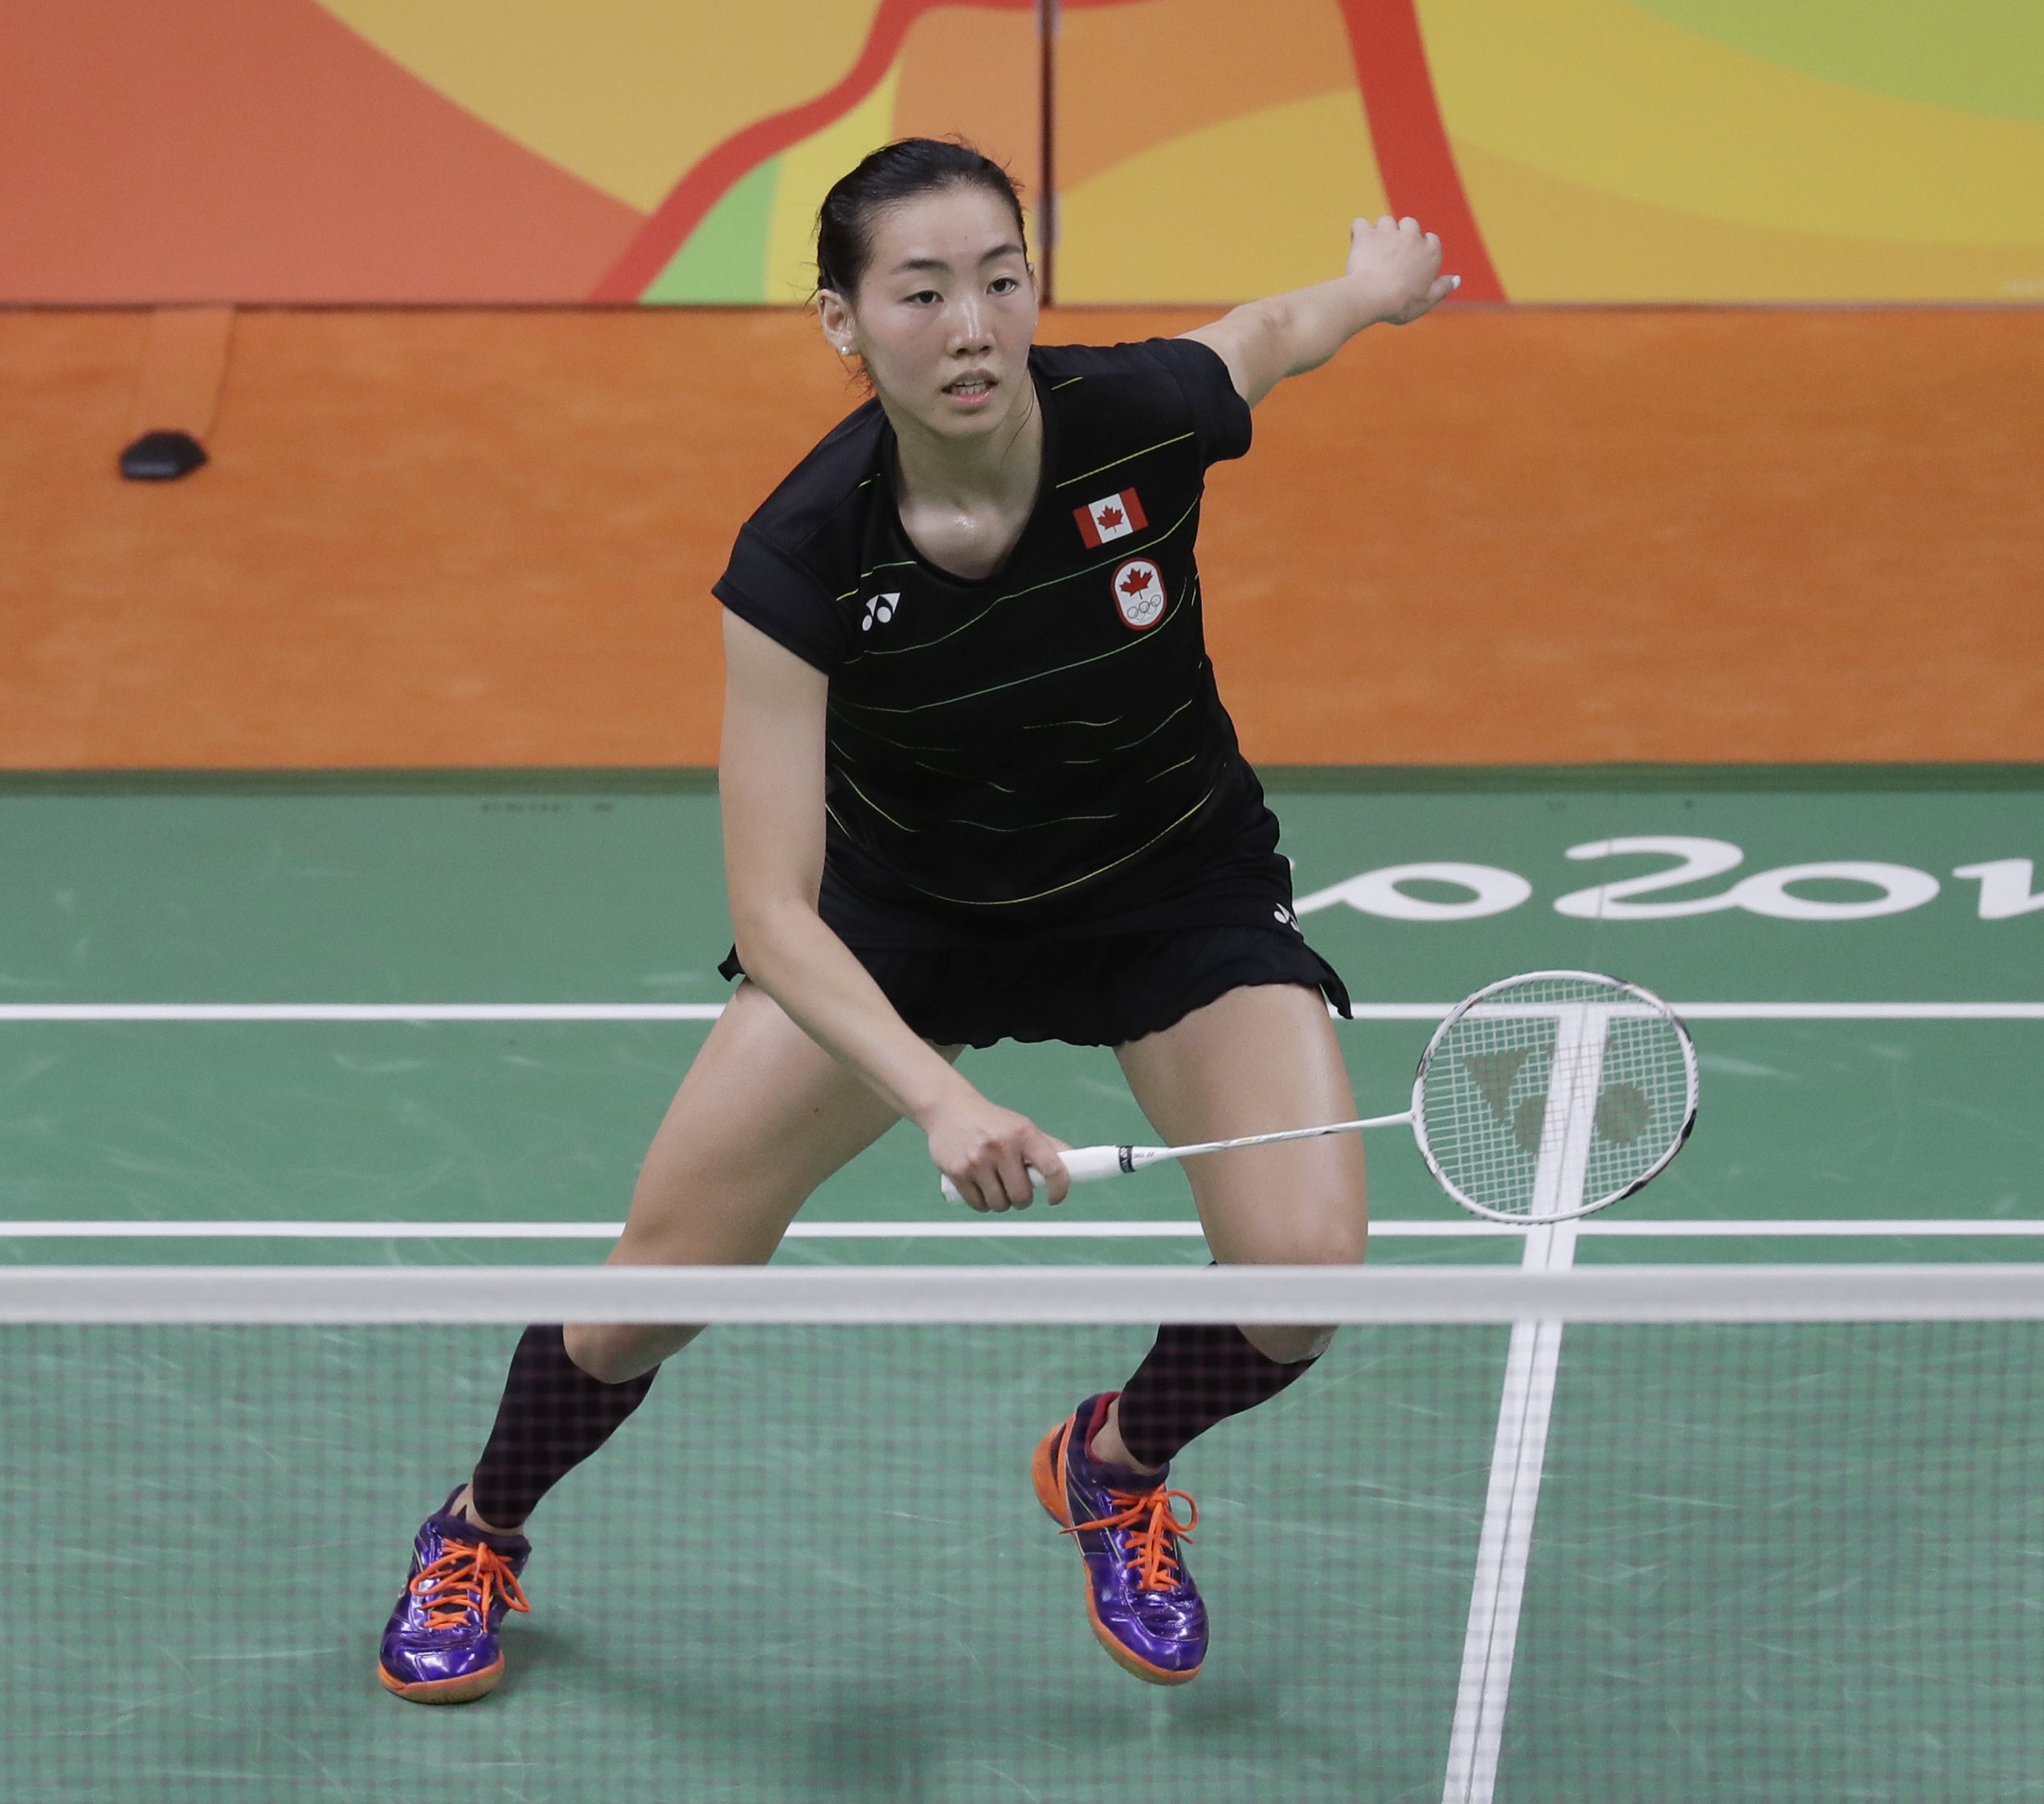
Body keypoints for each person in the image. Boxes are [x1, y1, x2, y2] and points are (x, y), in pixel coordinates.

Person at [377, 137, 1459, 1704]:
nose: (970, 324)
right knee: (651, 1293)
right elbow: (771, 902)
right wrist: (937, 1096)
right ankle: (479, 1525)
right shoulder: (804, 558)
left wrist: (1366, 289)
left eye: (1001, 281)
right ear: (844, 320)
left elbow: (1267, 338)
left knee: (1300, 1278)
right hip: (904, 921)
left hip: (1167, 889)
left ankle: (1114, 1460)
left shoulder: (1135, 418)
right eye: (922, 290)